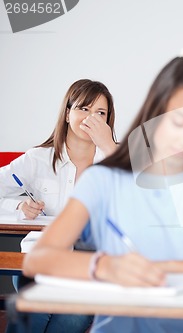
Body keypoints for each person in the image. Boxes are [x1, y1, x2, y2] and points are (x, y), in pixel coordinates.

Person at [23, 53, 183, 333]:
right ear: (155, 112)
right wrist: (104, 267)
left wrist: (170, 269)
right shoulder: (102, 180)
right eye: (179, 123)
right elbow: (39, 259)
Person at [2, 79, 118, 333]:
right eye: (83, 109)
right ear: (67, 113)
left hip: (89, 271)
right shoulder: (38, 159)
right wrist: (19, 207)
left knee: (71, 320)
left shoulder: (118, 161)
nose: (91, 118)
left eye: (100, 113)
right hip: (39, 262)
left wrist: (109, 146)